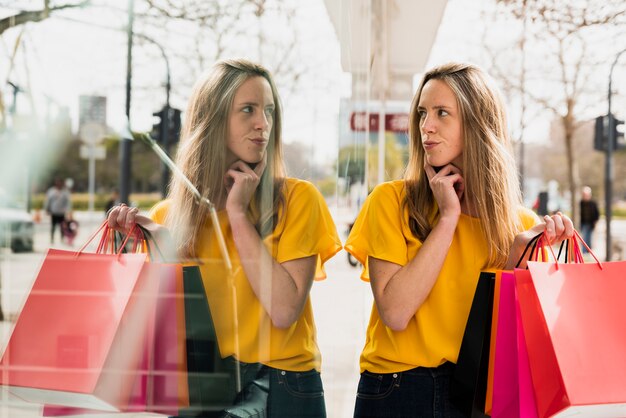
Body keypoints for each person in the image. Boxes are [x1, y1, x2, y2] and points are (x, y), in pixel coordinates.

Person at [107, 59, 341, 417]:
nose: (262, 124)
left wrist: (238, 215)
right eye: (247, 110)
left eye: (268, 111)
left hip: (283, 385)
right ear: (212, 122)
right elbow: (153, 330)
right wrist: (131, 245)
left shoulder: (298, 199)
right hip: (202, 389)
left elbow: (283, 310)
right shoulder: (167, 220)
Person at [345, 62, 574, 418]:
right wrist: (447, 219)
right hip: (396, 390)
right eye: (422, 112)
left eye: (441, 113)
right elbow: (395, 312)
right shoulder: (390, 201)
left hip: (477, 395)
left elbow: (504, 340)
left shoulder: (521, 227)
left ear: (477, 124)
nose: (426, 126)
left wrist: (515, 260)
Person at [44, 177, 72, 244]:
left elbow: (68, 202)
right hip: (54, 212)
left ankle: (62, 239)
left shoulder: (64, 192)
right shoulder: (51, 191)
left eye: (60, 182)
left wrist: (68, 210)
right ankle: (52, 239)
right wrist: (47, 209)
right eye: (57, 182)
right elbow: (48, 201)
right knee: (53, 226)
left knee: (62, 227)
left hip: (62, 212)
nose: (59, 184)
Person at [579, 185, 600, 252]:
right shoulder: (580, 203)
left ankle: (588, 250)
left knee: (589, 237)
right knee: (584, 237)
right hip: (583, 223)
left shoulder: (593, 203)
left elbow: (597, 213)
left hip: (591, 223)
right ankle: (585, 251)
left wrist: (595, 222)